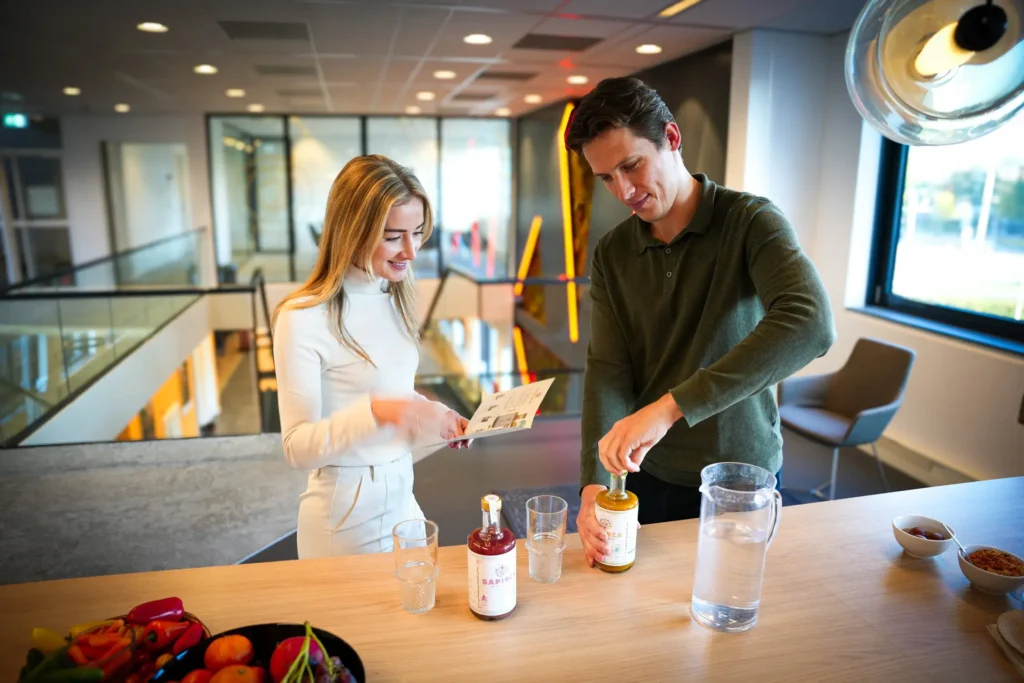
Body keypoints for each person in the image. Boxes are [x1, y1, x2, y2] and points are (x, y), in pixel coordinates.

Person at [566, 77, 836, 568]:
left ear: (671, 138)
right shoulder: (612, 252)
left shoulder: (750, 221)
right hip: (649, 470)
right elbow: (608, 369)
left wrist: (669, 407)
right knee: (643, 607)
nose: (623, 191)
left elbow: (811, 323)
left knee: (732, 602)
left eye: (631, 165)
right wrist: (593, 486)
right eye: (605, 178)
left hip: (739, 475)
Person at [272, 154, 471, 559]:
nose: (411, 251)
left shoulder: (393, 296)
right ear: (353, 231)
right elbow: (297, 448)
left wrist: (439, 417)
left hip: (403, 498)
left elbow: (393, 393)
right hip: (344, 517)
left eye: (417, 233)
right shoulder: (303, 316)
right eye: (394, 236)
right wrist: (376, 411)